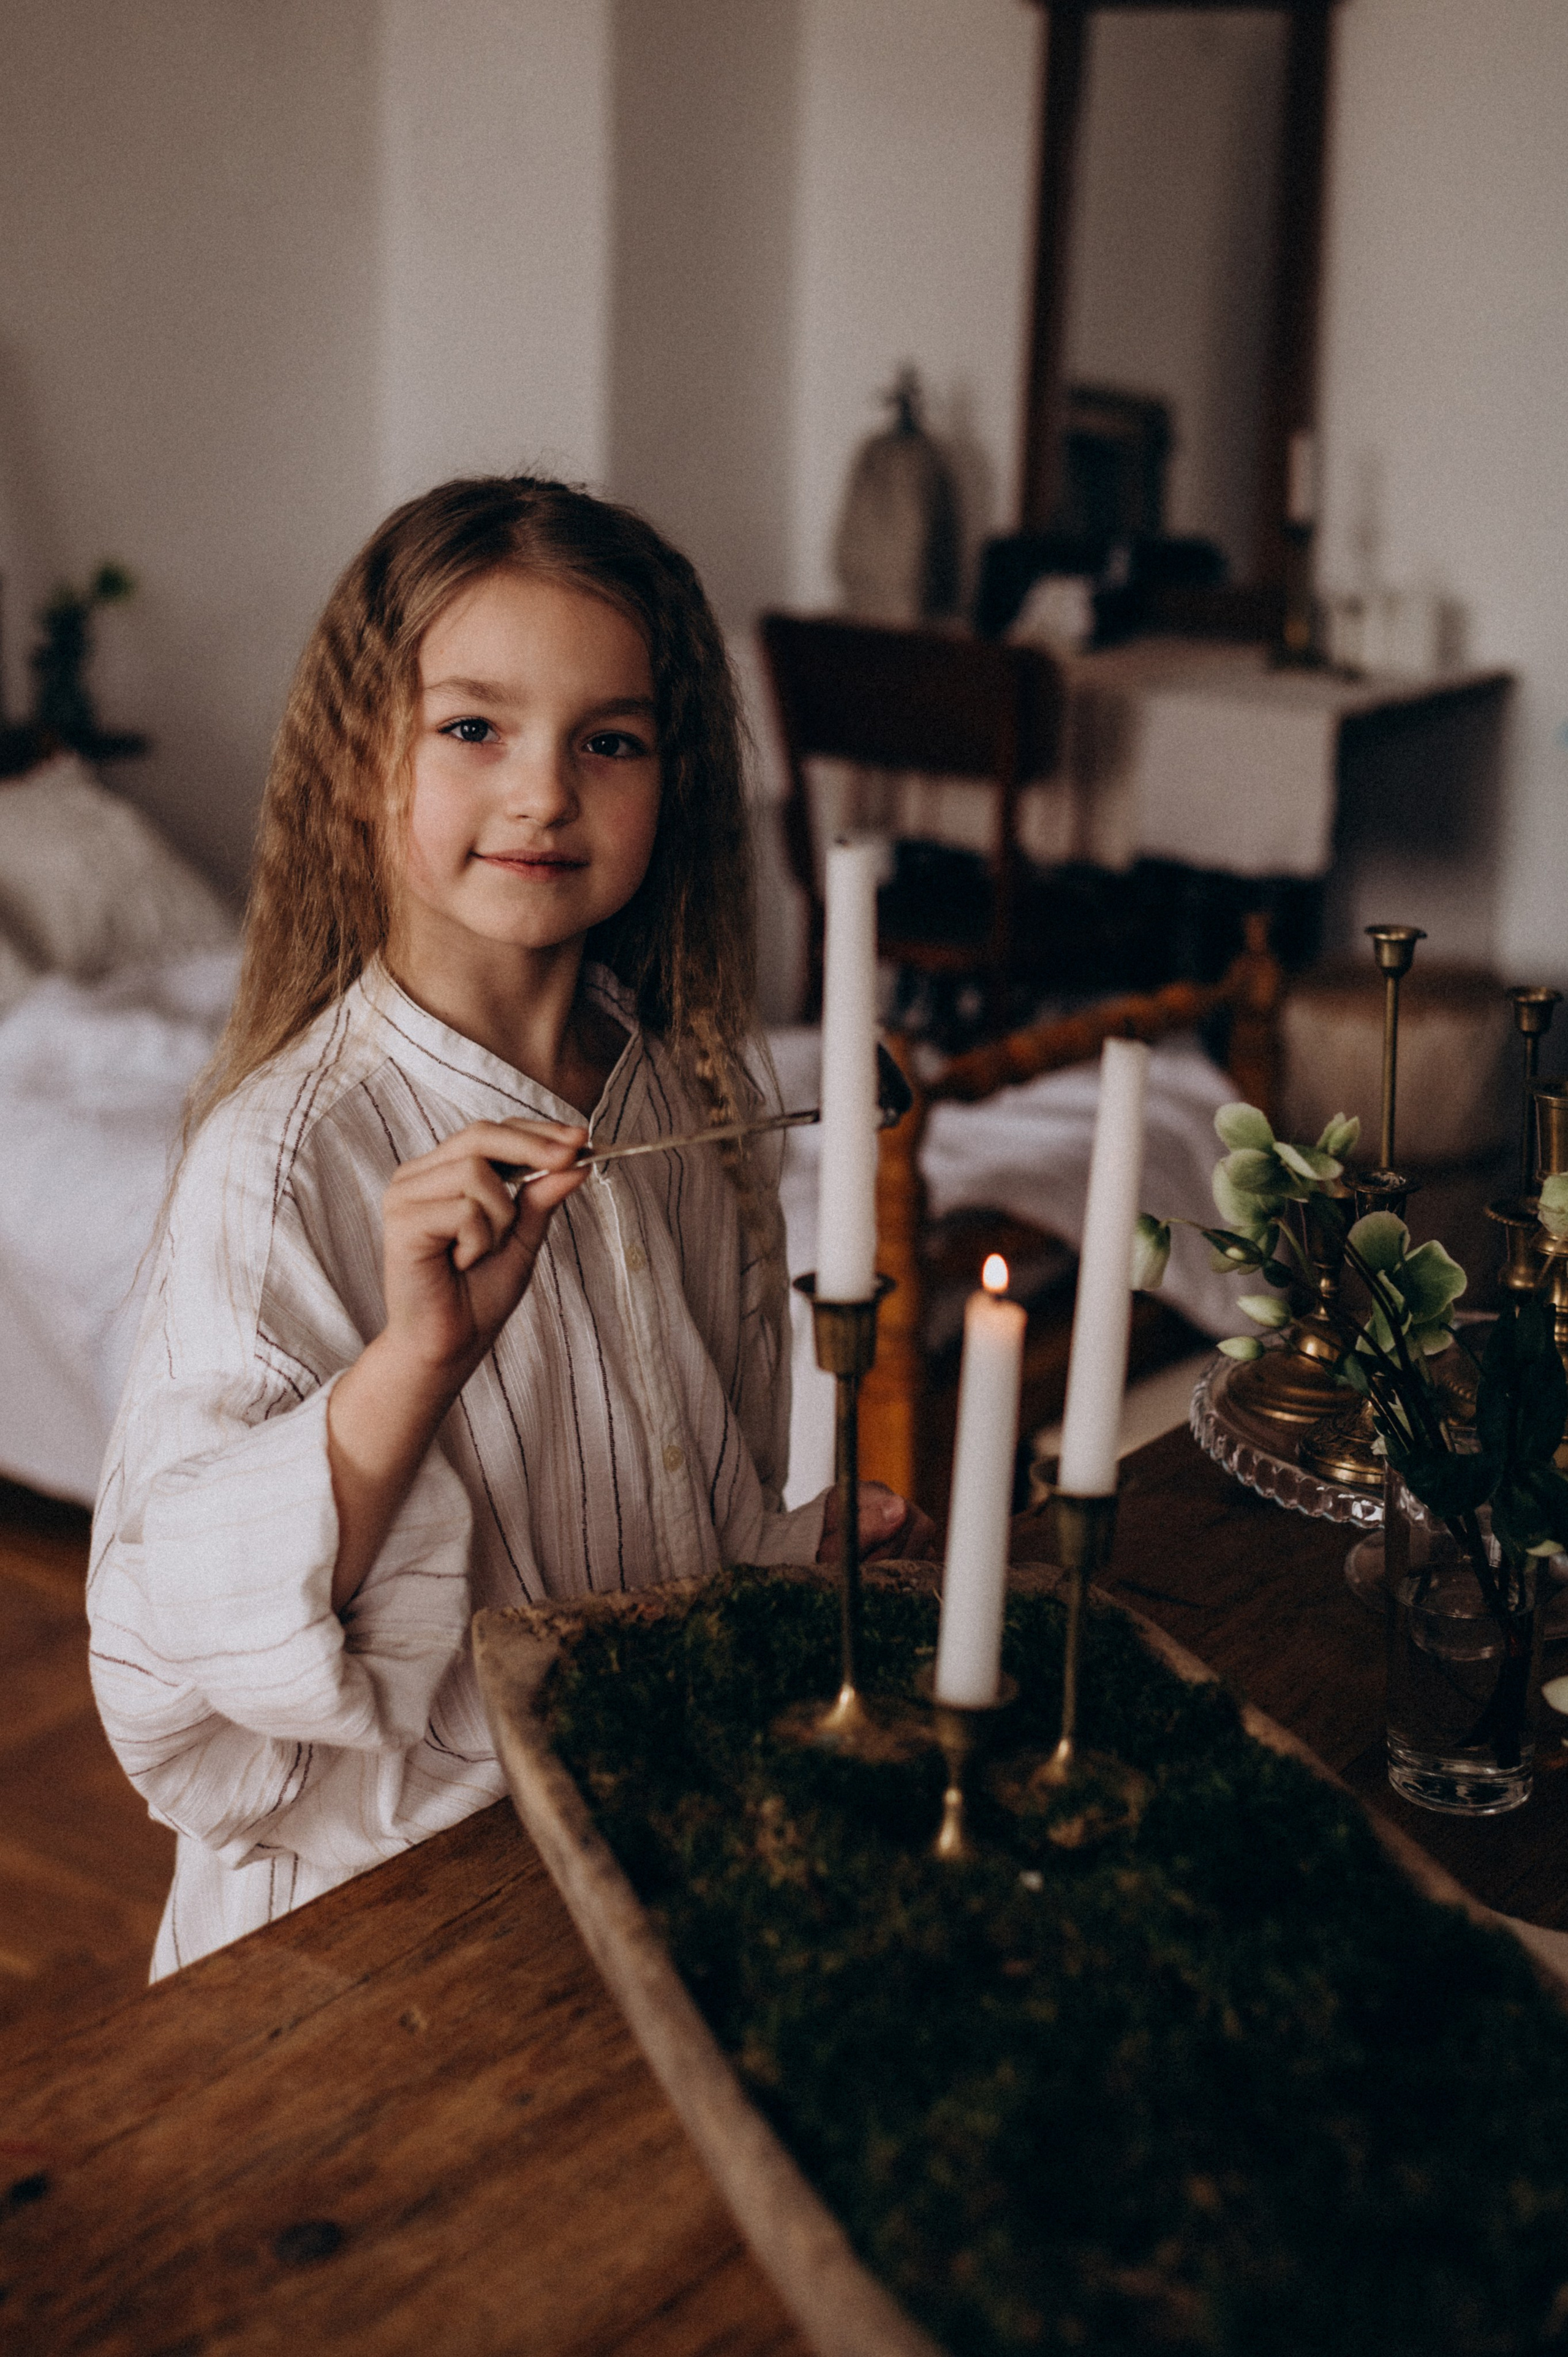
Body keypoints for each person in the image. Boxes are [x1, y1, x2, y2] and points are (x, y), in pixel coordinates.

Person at [88, 475, 932, 1978]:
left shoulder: (693, 1100)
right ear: (363, 760)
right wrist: (413, 1361)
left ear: (671, 786)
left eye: (608, 739)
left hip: (651, 1855)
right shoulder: (280, 1164)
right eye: (474, 727)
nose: (545, 791)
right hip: (388, 1926)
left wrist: (784, 1562)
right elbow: (178, 1661)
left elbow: (693, 1473)